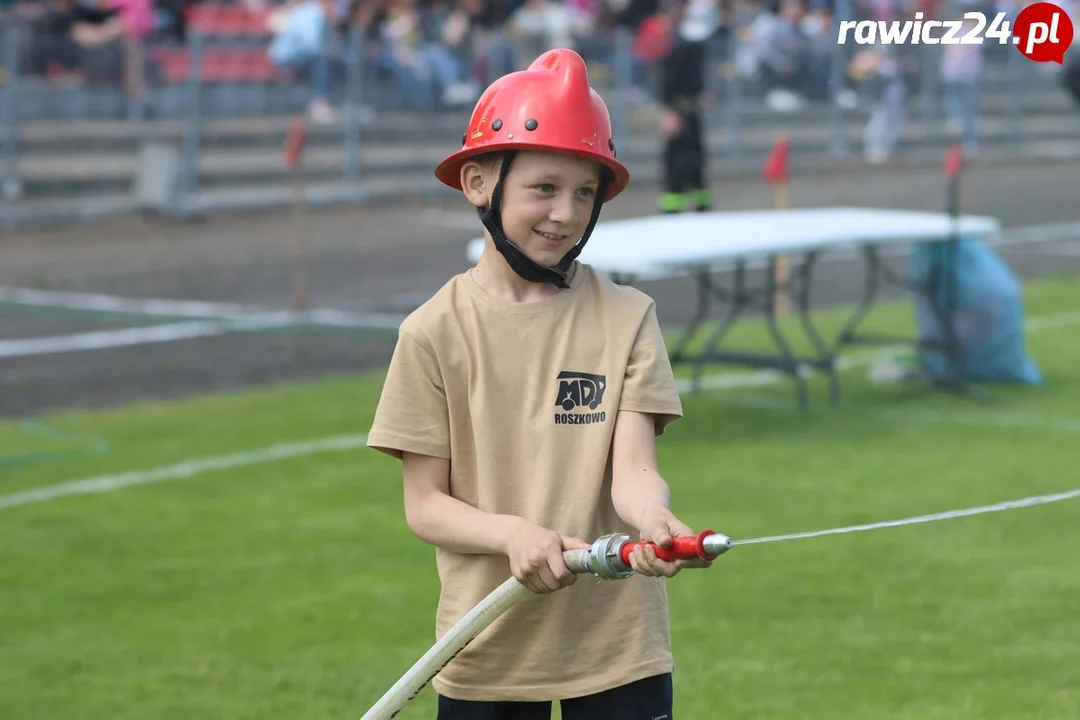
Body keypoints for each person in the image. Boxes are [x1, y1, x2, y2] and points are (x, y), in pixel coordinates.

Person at [366, 47, 712, 720]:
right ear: (476, 183)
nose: (566, 213)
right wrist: (512, 535)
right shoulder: (432, 332)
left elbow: (634, 472)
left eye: (586, 193)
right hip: (486, 649)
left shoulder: (628, 316)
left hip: (618, 649)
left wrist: (655, 519)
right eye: (544, 188)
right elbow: (425, 506)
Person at [656, 0, 717, 214]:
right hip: (679, 112)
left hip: (692, 113)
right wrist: (669, 112)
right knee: (678, 165)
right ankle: (673, 211)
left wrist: (701, 92)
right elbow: (666, 83)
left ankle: (701, 207)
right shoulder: (677, 47)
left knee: (695, 163)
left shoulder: (694, 45)